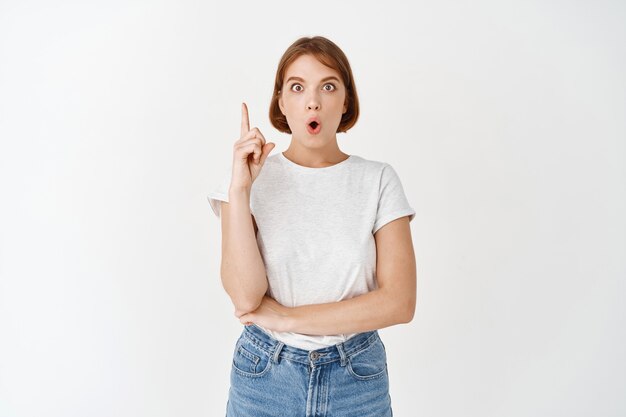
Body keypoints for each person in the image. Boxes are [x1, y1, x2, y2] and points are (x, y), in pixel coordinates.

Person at [207, 35, 416, 417]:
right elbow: (246, 299)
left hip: (357, 377)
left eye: (328, 86)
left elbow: (399, 302)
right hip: (264, 376)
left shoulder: (378, 180)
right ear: (282, 102)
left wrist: (290, 317)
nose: (313, 101)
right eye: (297, 87)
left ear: (346, 101)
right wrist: (239, 191)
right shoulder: (249, 179)